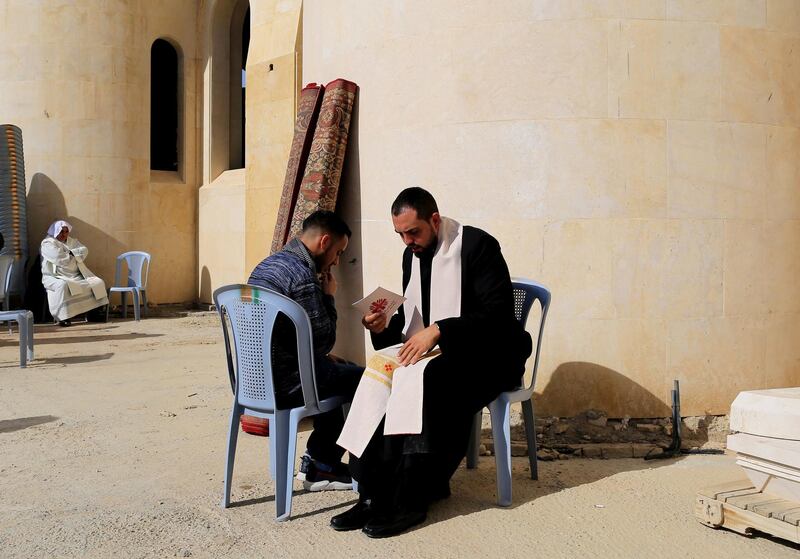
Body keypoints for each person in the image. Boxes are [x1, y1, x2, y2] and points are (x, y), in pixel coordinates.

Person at [331, 187, 533, 538]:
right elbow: (413, 325)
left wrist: (439, 331)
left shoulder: (477, 247)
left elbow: (497, 316)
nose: (408, 241)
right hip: (443, 351)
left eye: (414, 232)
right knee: (378, 372)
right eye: (401, 235)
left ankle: (411, 496)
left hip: (491, 355)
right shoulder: (413, 254)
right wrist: (382, 327)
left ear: (435, 220)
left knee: (427, 384)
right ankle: (370, 492)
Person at [248, 210, 362, 491]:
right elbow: (323, 342)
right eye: (338, 252)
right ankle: (327, 464)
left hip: (254, 381)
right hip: (288, 384)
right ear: (324, 242)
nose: (336, 261)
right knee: (364, 379)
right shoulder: (302, 277)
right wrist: (329, 297)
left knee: (337, 370)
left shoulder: (267, 266)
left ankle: (322, 462)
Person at [41, 220, 109, 326]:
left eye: (66, 232)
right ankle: (63, 317)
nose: (64, 234)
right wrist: (74, 255)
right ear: (55, 231)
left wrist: (71, 253)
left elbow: (84, 250)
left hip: (75, 275)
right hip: (55, 276)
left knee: (97, 282)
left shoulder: (72, 241)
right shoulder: (47, 243)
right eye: (61, 232)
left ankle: (94, 313)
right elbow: (59, 258)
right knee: (63, 286)